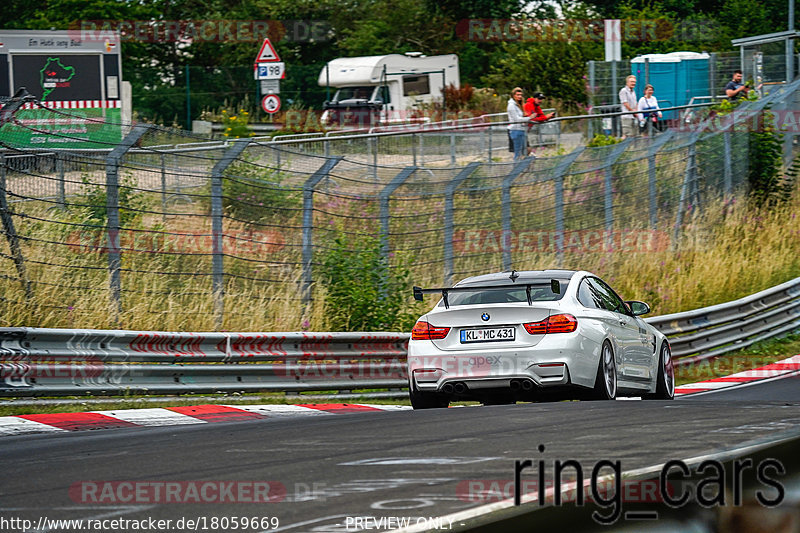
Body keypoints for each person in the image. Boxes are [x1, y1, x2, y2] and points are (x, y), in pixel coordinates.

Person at [507, 87, 530, 161]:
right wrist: (529, 118)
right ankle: (516, 169)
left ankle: (522, 167)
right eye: (518, 95)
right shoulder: (511, 105)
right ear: (513, 95)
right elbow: (517, 119)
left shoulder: (518, 105)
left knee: (525, 150)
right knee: (518, 152)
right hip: (516, 130)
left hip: (521, 129)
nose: (519, 96)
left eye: (520, 95)